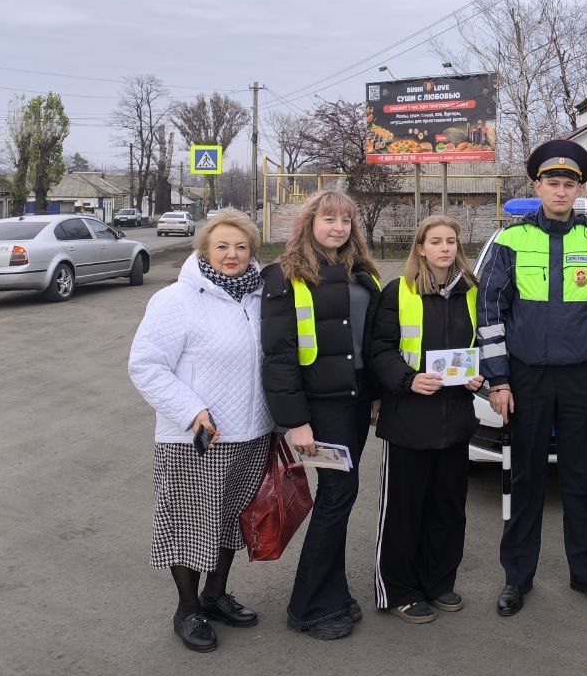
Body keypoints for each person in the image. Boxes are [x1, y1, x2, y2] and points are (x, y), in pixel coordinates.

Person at [477, 139, 587, 616]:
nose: (560, 190)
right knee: (524, 479)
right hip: (525, 379)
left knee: (582, 480)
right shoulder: (510, 240)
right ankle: (516, 579)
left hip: (582, 379)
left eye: (569, 183)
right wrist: (498, 382)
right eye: (552, 182)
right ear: (537, 185)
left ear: (578, 188)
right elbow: (490, 314)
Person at [128, 209, 273, 653]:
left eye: (241, 246)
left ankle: (215, 595)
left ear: (253, 251)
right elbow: (146, 365)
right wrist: (192, 411)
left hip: (252, 434)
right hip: (196, 438)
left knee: (231, 522)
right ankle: (187, 608)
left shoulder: (262, 296)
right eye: (222, 246)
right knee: (192, 524)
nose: (232, 255)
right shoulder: (177, 300)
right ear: (205, 250)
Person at [261, 190, 382, 640]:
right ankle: (309, 607)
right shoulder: (284, 275)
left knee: (342, 497)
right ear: (309, 223)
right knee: (337, 495)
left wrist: (375, 395)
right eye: (328, 219)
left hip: (354, 403)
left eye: (345, 221)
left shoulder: (361, 274)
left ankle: (332, 591)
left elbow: (368, 345)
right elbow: (279, 356)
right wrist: (295, 421)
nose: (338, 228)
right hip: (320, 408)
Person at [370, 215, 485, 623]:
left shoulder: (472, 292)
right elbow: (379, 349)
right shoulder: (397, 291)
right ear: (420, 248)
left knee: (448, 509)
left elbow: (482, 346)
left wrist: (479, 376)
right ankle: (399, 589)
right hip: (409, 421)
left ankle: (439, 583)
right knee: (404, 511)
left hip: (455, 421)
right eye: (435, 241)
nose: (444, 248)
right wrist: (407, 380)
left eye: (451, 241)